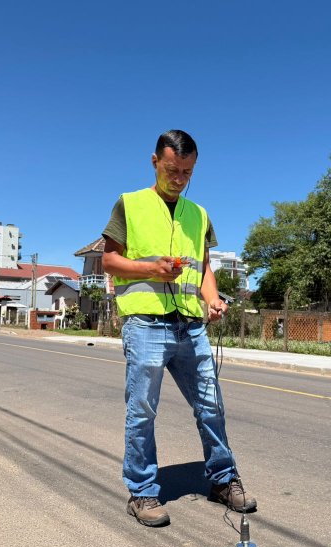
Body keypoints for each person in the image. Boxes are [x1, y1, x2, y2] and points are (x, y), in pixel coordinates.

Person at [101, 130, 257, 527]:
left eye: (187, 172)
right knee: (142, 411)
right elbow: (110, 262)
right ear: (155, 162)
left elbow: (204, 268)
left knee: (211, 405)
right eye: (173, 170)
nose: (180, 178)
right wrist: (151, 268)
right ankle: (142, 492)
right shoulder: (130, 204)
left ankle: (223, 480)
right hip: (146, 324)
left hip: (191, 327)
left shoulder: (198, 214)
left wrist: (213, 299)